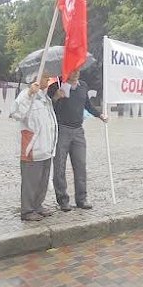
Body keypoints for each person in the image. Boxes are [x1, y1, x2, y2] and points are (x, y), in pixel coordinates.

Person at [48, 70, 107, 211]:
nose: (75, 73)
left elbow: (87, 105)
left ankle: (82, 199)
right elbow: (49, 107)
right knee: (59, 166)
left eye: (77, 70)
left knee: (81, 165)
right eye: (72, 70)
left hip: (78, 130)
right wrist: (56, 97)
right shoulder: (56, 86)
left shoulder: (83, 86)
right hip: (62, 129)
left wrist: (100, 115)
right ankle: (63, 200)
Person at [10, 73, 57, 222]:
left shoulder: (44, 97)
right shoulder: (26, 95)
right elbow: (16, 113)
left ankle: (38, 206)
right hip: (32, 147)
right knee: (31, 181)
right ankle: (27, 210)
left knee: (42, 180)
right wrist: (29, 93)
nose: (48, 79)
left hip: (46, 147)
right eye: (45, 76)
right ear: (35, 78)